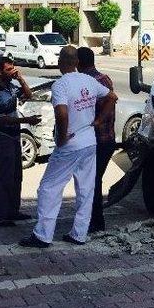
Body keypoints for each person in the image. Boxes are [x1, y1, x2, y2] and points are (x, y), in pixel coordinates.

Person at [19, 46, 117, 248]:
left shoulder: (61, 85)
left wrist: (62, 137)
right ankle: (79, 234)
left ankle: (43, 235)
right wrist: (98, 121)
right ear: (77, 63)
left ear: (61, 62)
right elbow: (112, 97)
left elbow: (62, 114)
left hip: (70, 144)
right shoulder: (89, 81)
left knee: (48, 188)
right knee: (86, 189)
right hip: (90, 142)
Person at [0, 58, 41, 227]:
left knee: (16, 177)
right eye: (9, 69)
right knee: (4, 178)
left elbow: (28, 95)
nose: (13, 71)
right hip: (3, 138)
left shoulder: (10, 86)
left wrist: (21, 79)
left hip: (14, 138)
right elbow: (0, 119)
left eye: (13, 68)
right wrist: (26, 121)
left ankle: (12, 211)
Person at [77, 47, 116, 232]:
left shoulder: (89, 82)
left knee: (92, 181)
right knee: (94, 180)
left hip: (98, 140)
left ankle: (96, 221)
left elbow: (111, 99)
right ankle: (94, 219)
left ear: (79, 63)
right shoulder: (104, 78)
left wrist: (97, 121)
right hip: (107, 139)